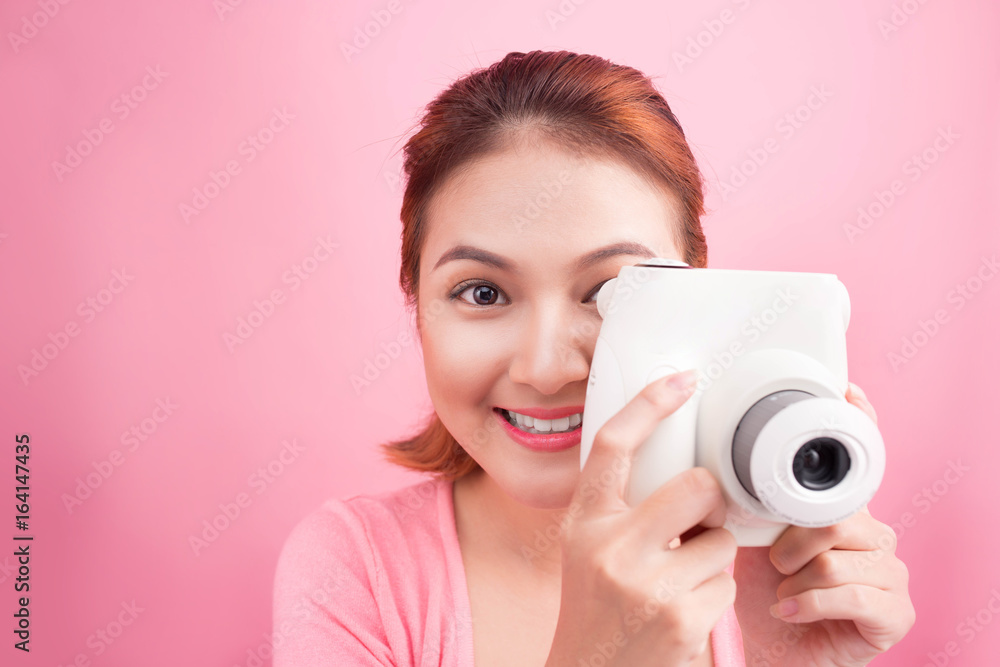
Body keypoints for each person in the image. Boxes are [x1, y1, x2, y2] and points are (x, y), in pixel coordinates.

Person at [272, 50, 914, 666]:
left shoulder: (783, 587)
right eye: (483, 292)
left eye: (612, 293)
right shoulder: (356, 568)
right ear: (416, 302)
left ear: (700, 299)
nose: (546, 369)